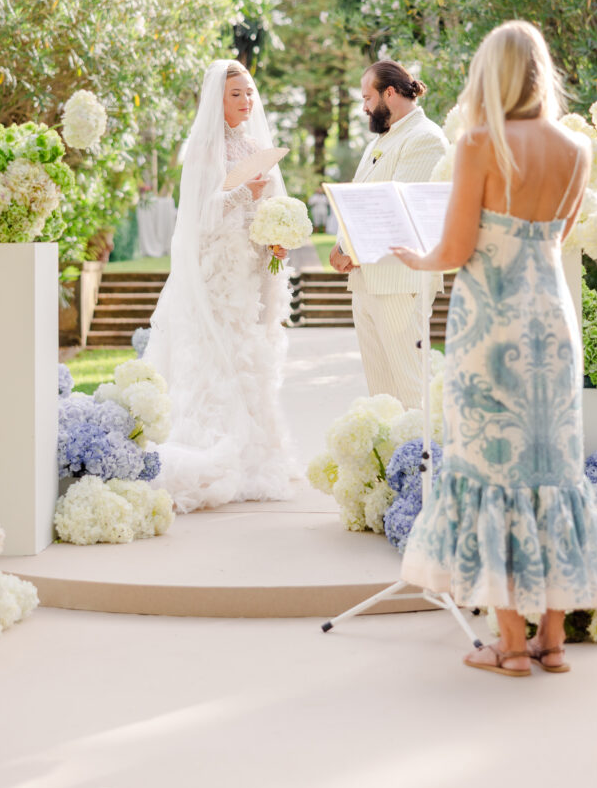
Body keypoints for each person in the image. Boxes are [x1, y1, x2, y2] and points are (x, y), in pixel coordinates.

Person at [391, 22, 597, 677]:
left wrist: (416, 256)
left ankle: (509, 644)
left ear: (490, 74)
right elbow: (554, 238)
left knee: (491, 468)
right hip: (549, 321)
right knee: (549, 469)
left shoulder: (480, 144)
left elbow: (457, 248)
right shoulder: (575, 151)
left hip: (487, 326)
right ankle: (551, 641)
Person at [144, 60, 295, 513]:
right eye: (237, 94)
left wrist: (276, 242)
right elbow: (196, 218)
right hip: (214, 274)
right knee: (217, 358)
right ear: (217, 100)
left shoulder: (254, 146)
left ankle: (256, 455)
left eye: (249, 92)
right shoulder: (203, 151)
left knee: (249, 359)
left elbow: (264, 211)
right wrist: (240, 194)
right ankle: (215, 447)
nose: (247, 101)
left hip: (248, 272)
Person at [329, 60, 448, 409]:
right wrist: (340, 245)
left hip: (400, 281)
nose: (364, 106)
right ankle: (391, 462)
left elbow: (397, 209)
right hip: (367, 280)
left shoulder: (425, 139)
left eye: (368, 97)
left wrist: (350, 249)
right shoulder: (381, 141)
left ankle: (425, 461)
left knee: (412, 388)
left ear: (390, 93)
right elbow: (356, 198)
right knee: (382, 394)